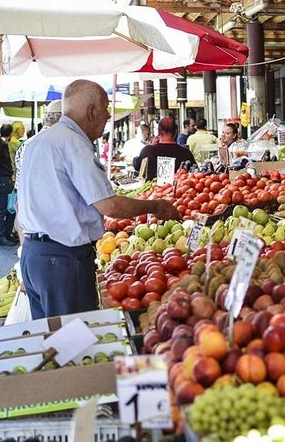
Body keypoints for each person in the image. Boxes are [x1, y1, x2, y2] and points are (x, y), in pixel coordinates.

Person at [18, 79, 180, 319]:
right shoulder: (74, 144)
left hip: (34, 255)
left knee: (52, 340)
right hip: (62, 259)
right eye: (105, 110)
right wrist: (156, 206)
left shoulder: (38, 142)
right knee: (74, 342)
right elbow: (109, 204)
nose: (107, 117)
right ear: (91, 111)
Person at [14, 99, 63, 247]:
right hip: (53, 226)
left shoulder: (27, 143)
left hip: (29, 226)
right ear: (61, 117)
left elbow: (19, 193)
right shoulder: (61, 143)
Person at [0, 124, 17, 246]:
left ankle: (6, 234)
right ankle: (2, 236)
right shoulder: (0, 146)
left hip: (5, 179)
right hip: (3, 179)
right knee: (4, 209)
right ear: (10, 133)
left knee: (8, 208)